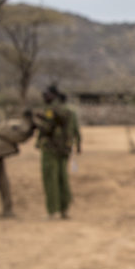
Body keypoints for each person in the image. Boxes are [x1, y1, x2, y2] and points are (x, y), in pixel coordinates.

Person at [35, 84, 81, 219]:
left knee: (51, 178)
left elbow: (47, 128)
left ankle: (52, 211)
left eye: (46, 94)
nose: (44, 96)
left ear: (53, 95)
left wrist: (37, 122)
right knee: (63, 178)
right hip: (65, 148)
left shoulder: (50, 109)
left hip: (50, 148)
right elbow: (75, 128)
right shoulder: (69, 110)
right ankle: (64, 210)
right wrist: (78, 144)